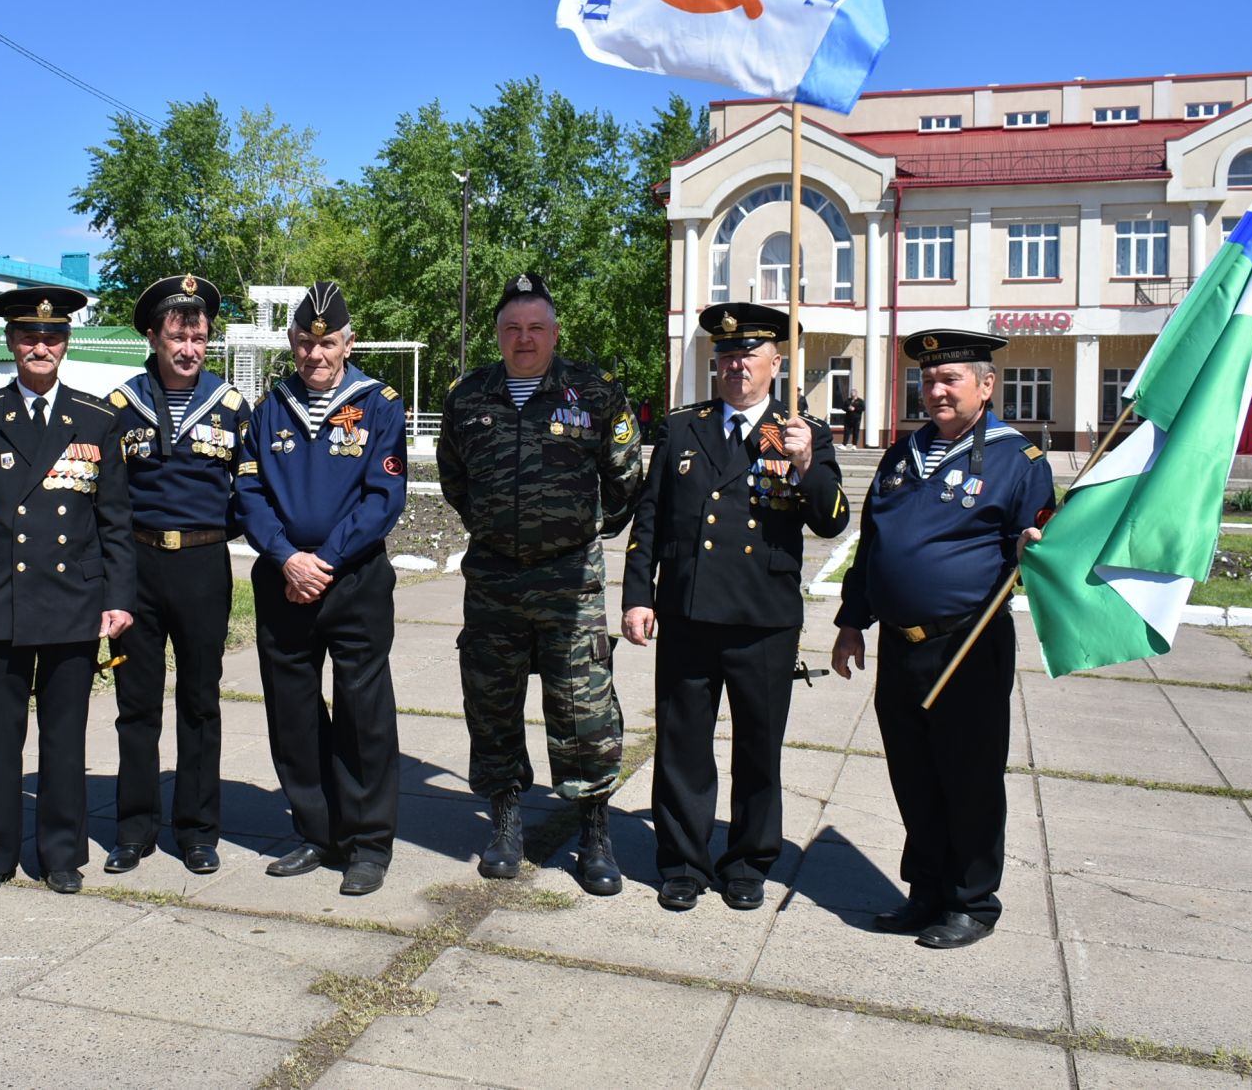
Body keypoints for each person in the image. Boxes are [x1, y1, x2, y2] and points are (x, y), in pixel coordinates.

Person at [829, 330, 1054, 949]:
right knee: (914, 774)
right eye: (928, 380)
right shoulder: (903, 455)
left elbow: (1040, 548)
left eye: (950, 379)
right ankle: (924, 890)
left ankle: (972, 901)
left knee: (970, 777)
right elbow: (872, 545)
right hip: (902, 647)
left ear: (986, 386)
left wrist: (1037, 549)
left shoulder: (1019, 461)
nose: (935, 390)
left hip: (969, 646)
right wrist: (853, 621)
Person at [622, 304, 850, 912]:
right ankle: (682, 862)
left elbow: (832, 524)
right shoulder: (681, 428)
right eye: (725, 356)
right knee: (682, 746)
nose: (735, 366)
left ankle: (748, 861)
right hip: (691, 613)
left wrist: (806, 466)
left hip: (763, 619)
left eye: (749, 356)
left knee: (758, 749)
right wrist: (638, 596)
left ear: (776, 365)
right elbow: (651, 519)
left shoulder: (801, 432)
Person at [438, 272, 643, 897]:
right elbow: (455, 479)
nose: (523, 339)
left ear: (555, 333)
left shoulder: (596, 392)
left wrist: (577, 531)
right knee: (492, 705)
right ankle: (504, 825)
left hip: (570, 582)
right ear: (497, 335)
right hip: (494, 579)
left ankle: (596, 834)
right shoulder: (469, 395)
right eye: (511, 328)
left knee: (582, 710)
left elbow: (626, 478)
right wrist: (495, 527)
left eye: (535, 328)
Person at [0, 287, 135, 897]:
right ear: (11, 343)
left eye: (51, 337)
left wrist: (118, 596)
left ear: (66, 344)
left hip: (74, 600)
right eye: (28, 336)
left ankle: (61, 853)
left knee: (65, 737)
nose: (40, 346)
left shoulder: (98, 420)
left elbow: (114, 521)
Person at [235, 282, 407, 897]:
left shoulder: (380, 404)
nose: (316, 355)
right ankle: (317, 830)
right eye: (305, 343)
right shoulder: (269, 408)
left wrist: (323, 561)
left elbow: (383, 499)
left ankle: (367, 844)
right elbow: (249, 494)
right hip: (284, 581)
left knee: (363, 713)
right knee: (293, 711)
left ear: (348, 342)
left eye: (328, 343)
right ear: (291, 343)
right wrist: (286, 558)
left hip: (353, 580)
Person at [102, 273, 248, 878]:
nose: (189, 349)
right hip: (136, 569)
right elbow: (104, 496)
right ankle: (134, 831)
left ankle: (197, 831)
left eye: (199, 338)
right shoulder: (119, 406)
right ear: (152, 337)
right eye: (177, 336)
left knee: (199, 701)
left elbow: (255, 490)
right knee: (136, 706)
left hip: (202, 567)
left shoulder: (235, 407)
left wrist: (216, 535)